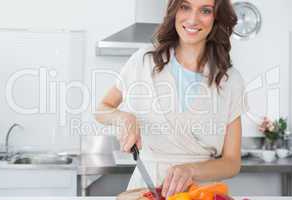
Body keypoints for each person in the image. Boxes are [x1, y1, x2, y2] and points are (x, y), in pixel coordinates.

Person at [95, 0, 248, 198]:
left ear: (216, 17)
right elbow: (101, 108)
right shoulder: (143, 62)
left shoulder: (230, 80)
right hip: (147, 188)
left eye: (205, 10)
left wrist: (191, 170)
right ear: (174, 11)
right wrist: (123, 118)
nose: (192, 19)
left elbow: (232, 162)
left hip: (200, 192)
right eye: (185, 7)